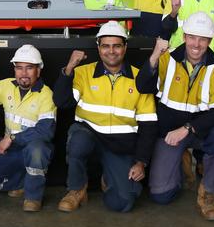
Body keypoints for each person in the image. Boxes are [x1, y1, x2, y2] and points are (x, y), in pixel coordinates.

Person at [136, 12, 214, 221]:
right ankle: (181, 163)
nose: (196, 44)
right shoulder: (166, 59)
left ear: (209, 40)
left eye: (203, 39)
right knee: (161, 195)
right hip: (169, 133)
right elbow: (142, 86)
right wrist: (153, 55)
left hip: (199, 132)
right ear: (185, 36)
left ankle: (207, 194)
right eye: (192, 37)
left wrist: (187, 128)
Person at [53, 21, 157, 212]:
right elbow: (62, 102)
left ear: (125, 47)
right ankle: (76, 189)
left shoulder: (140, 79)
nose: (111, 51)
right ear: (99, 48)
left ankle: (109, 177)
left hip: (120, 147)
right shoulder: (84, 72)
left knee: (122, 204)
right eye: (106, 46)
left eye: (117, 46)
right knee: (78, 141)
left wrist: (141, 162)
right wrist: (69, 69)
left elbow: (149, 126)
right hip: (89, 136)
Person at [0, 45, 56, 212]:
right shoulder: (7, 86)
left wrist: (12, 138)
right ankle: (22, 182)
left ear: (39, 70)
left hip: (33, 148)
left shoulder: (46, 95)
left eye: (29, 68)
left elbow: (45, 131)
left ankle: (33, 197)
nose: (23, 73)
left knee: (37, 149)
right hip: (10, 150)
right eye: (19, 68)